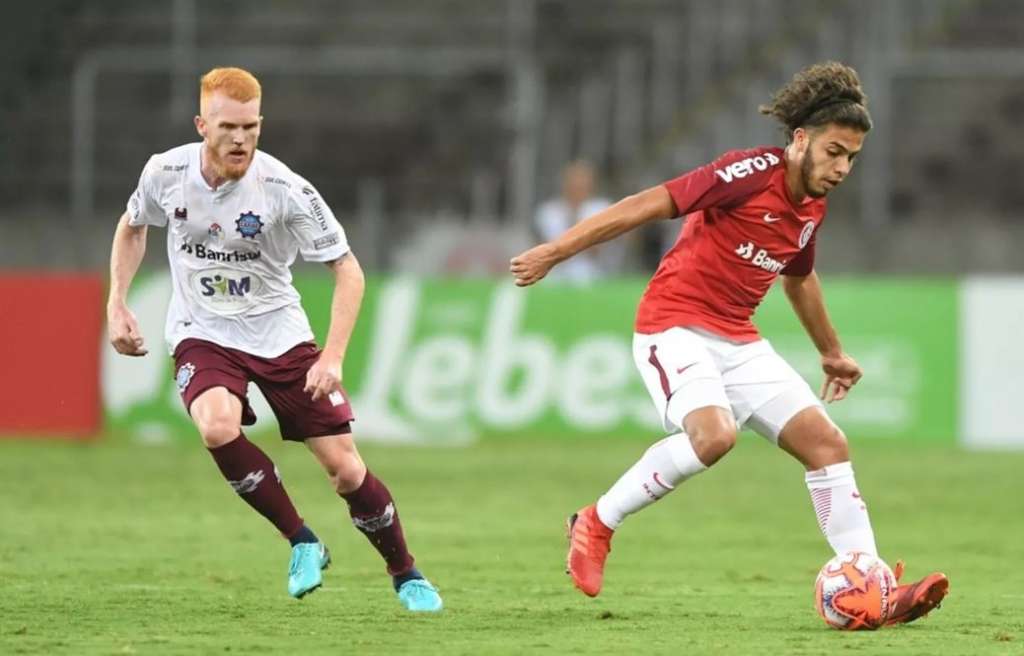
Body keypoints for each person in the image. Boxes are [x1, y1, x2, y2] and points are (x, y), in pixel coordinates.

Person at [510, 61, 947, 625]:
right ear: (800, 140)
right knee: (714, 435)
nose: (842, 168)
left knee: (827, 445)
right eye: (835, 151)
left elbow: (798, 277)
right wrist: (555, 251)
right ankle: (596, 521)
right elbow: (648, 203)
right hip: (672, 327)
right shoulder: (747, 171)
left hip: (738, 340)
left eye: (852, 158)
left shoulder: (811, 205)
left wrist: (831, 351)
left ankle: (874, 587)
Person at [107, 67, 442, 611]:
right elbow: (132, 224)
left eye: (251, 126)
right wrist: (116, 300)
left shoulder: (286, 189)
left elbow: (348, 269)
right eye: (227, 127)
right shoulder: (164, 172)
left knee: (345, 469)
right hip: (203, 331)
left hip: (279, 335)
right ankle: (302, 541)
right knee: (216, 426)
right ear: (201, 125)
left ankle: (406, 572)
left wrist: (332, 355)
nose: (240, 138)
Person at [534, 161, 617, 282]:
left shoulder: (601, 209)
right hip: (554, 275)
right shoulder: (549, 211)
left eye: (582, 182)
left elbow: (598, 251)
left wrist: (575, 221)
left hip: (590, 275)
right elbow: (541, 250)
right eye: (573, 181)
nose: (577, 186)